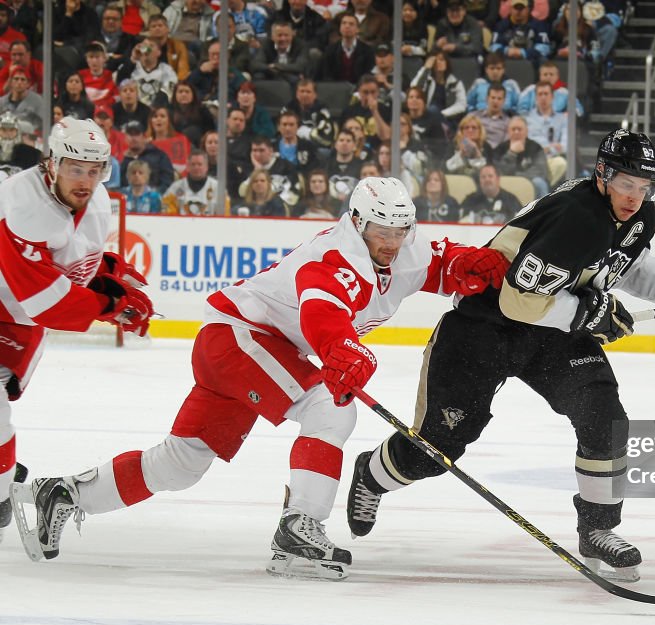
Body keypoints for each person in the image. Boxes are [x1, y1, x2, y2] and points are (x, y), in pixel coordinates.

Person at [12, 177, 508, 580]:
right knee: (330, 407)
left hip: (242, 350)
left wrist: (467, 262)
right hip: (241, 341)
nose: (392, 242)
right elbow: (322, 310)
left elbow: (438, 264)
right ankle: (300, 528)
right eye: (381, 230)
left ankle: (64, 492)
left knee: (182, 464)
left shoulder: (402, 246)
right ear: (356, 222)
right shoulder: (337, 257)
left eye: (401, 231)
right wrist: (340, 350)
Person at [345, 130, 655, 582]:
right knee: (437, 448)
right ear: (604, 175)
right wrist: (590, 316)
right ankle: (371, 476)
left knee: (604, 416)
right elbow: (518, 301)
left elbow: (625, 263)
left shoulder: (636, 215)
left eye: (644, 186)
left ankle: (598, 529)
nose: (635, 196)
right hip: (485, 329)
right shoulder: (575, 218)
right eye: (626, 184)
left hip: (553, 334)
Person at [0, 118, 152, 543]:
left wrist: (108, 276)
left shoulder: (96, 201)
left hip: (15, 320)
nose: (86, 181)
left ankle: (2, 482)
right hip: (19, 309)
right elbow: (43, 299)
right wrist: (111, 306)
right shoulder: (24, 204)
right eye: (75, 168)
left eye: (95, 170)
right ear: (52, 163)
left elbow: (71, 271)